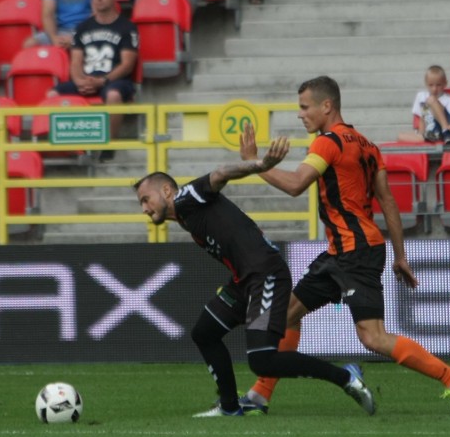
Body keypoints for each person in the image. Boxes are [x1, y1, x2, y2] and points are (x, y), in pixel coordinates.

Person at [236, 76, 450, 417]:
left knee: (373, 337)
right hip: (343, 251)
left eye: (305, 107)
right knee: (288, 313)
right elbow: (388, 201)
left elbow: (295, 185)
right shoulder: (367, 145)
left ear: (326, 106)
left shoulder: (327, 143)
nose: (300, 115)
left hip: (355, 252)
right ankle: (260, 395)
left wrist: (255, 164)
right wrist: (400, 255)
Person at [133, 144, 377, 417]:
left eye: (146, 199)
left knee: (262, 360)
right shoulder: (186, 215)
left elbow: (220, 174)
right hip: (244, 283)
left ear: (166, 190)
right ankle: (229, 407)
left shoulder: (185, 198)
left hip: (265, 276)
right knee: (204, 332)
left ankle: (345, 377)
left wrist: (258, 166)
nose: (144, 208)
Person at [48, 0, 138, 140]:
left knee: (113, 96)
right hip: (87, 79)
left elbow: (127, 65)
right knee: (52, 94)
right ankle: (69, 146)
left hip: (114, 81)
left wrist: (102, 81)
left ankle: (109, 145)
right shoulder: (82, 28)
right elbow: (75, 60)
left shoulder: (127, 27)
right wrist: (78, 81)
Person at [397, 65, 450, 144]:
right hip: (430, 133)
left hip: (445, 128)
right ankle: (432, 137)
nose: (434, 89)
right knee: (400, 136)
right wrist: (421, 133)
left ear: (445, 83)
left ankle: (446, 132)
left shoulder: (449, 99)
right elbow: (422, 117)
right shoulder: (421, 96)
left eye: (438, 85)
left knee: (431, 100)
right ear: (426, 83)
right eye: (431, 85)